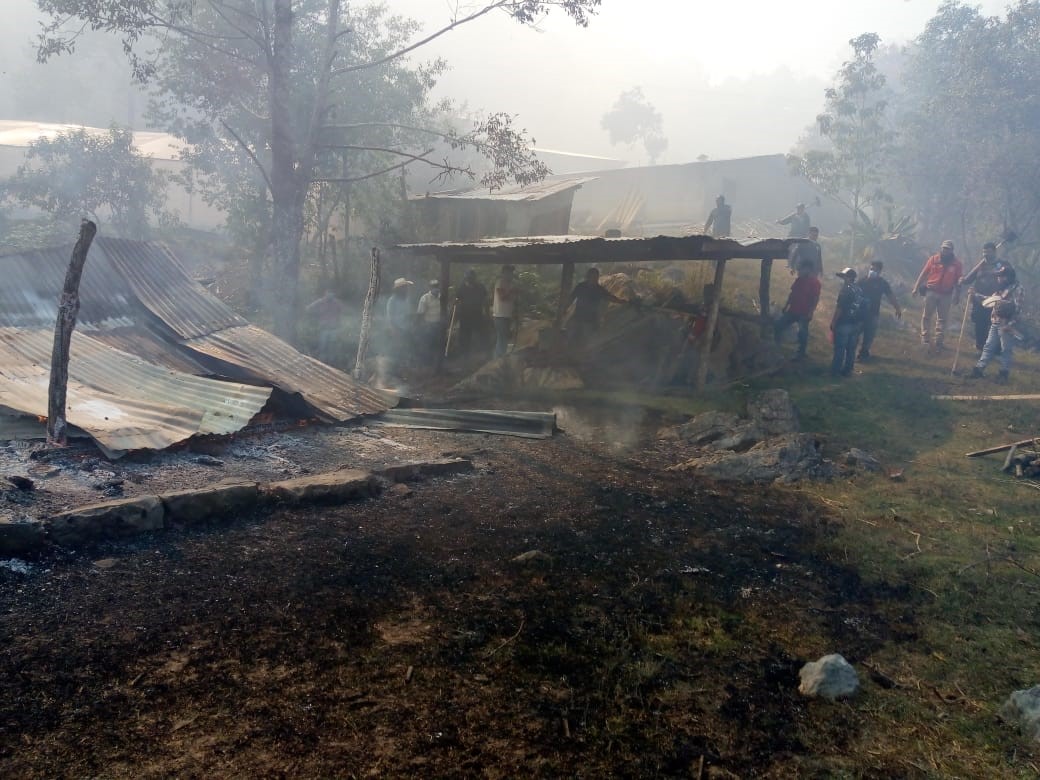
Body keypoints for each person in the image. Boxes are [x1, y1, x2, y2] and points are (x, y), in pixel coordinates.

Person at [913, 239, 962, 350]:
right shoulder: (934, 259)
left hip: (946, 295)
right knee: (926, 316)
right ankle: (925, 338)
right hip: (931, 292)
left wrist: (957, 295)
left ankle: (939, 341)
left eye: (947, 249)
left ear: (952, 250)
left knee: (942, 319)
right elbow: (923, 274)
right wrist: (916, 287)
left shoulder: (957, 264)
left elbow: (958, 280)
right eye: (943, 248)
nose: (945, 250)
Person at [567, 267, 626, 347]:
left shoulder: (599, 289)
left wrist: (621, 301)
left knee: (587, 342)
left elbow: (610, 297)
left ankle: (584, 355)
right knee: (569, 337)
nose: (594, 279)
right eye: (592, 276)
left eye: (596, 277)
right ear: (587, 277)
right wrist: (563, 309)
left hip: (590, 320)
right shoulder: (580, 287)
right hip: (577, 317)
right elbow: (571, 299)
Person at [774, 259, 821, 360]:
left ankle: (801, 353)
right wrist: (786, 305)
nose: (800, 271)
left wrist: (811, 312)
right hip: (792, 310)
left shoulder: (815, 283)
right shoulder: (799, 280)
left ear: (808, 269)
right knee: (778, 325)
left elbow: (815, 299)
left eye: (802, 269)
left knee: (802, 332)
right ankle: (776, 346)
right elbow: (792, 294)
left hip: (804, 313)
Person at [960, 242, 1002, 352]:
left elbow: (1009, 279)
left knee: (994, 326)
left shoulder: (1001, 265)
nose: (986, 254)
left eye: (988, 252)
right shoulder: (980, 266)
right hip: (978, 301)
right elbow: (969, 279)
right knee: (979, 324)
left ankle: (995, 350)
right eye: (984, 252)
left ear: (994, 252)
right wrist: (963, 280)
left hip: (995, 301)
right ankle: (980, 347)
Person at [857, 260, 902, 361]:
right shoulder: (863, 281)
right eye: (871, 269)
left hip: (873, 314)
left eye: (875, 270)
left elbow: (891, 296)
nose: (872, 271)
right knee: (855, 334)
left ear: (880, 271)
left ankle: (864, 354)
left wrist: (897, 308)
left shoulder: (882, 283)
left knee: (869, 336)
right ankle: (850, 353)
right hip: (860, 314)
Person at [829, 267, 866, 377]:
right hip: (856, 323)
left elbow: (839, 308)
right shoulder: (859, 289)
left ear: (848, 277)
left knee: (840, 348)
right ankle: (848, 371)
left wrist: (833, 322)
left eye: (844, 276)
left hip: (844, 323)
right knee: (851, 349)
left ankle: (835, 372)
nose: (843, 279)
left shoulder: (845, 290)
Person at [970, 298, 1018, 384]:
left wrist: (1009, 324)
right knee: (988, 346)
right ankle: (979, 370)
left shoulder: (1018, 289)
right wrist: (993, 317)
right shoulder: (1001, 287)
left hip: (1007, 325)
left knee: (1006, 349)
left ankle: (1003, 374)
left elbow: (1018, 309)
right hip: (996, 323)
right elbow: (994, 301)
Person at [453, 269, 489, 356]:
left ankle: (483, 355)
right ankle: (464, 357)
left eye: (471, 278)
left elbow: (485, 300)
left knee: (482, 336)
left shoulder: (480, 287)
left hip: (478, 315)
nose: (470, 280)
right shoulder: (461, 288)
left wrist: (487, 313)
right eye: (468, 278)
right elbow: (457, 301)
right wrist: (455, 313)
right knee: (465, 338)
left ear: (474, 278)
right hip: (465, 317)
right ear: (465, 278)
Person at [305, 290, 345, 365]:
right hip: (325, 328)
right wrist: (315, 314)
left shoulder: (336, 303)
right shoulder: (321, 302)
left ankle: (332, 362)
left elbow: (343, 310)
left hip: (333, 328)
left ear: (333, 295)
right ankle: (322, 363)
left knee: (332, 346)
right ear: (325, 294)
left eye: (331, 294)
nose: (329, 296)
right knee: (323, 346)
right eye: (328, 294)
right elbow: (309, 308)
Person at [385, 277, 414, 368]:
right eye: (404, 287)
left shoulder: (406, 299)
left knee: (405, 350)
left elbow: (408, 313)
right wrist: (394, 330)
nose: (406, 289)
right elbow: (390, 316)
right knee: (397, 351)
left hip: (406, 328)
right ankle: (394, 368)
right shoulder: (392, 300)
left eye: (406, 287)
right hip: (397, 329)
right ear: (399, 289)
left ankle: (404, 368)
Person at [492, 265, 518, 358]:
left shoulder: (511, 284)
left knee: (504, 339)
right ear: (504, 273)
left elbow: (513, 299)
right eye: (509, 272)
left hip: (507, 315)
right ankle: (496, 360)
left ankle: (500, 359)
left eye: (511, 272)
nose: (511, 274)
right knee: (501, 339)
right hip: (500, 316)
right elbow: (502, 297)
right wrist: (511, 291)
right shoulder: (500, 283)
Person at [415, 279, 443, 367]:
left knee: (439, 345)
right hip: (429, 325)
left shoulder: (441, 297)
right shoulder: (425, 298)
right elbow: (420, 314)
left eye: (437, 287)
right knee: (428, 345)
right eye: (433, 287)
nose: (435, 289)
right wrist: (420, 326)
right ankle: (426, 364)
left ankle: (438, 364)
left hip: (439, 325)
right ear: (430, 288)